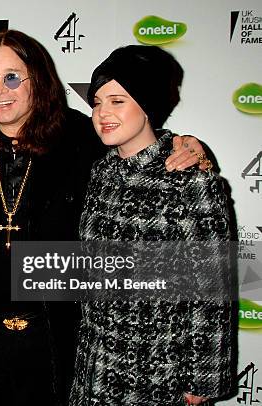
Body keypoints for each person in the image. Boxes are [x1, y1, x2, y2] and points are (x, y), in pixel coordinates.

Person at [0, 30, 211, 406]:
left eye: (12, 77)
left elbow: (139, 135)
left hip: (50, 338)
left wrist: (184, 144)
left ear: (39, 79)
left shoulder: (81, 137)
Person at [70, 45, 235, 405]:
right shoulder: (101, 172)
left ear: (147, 105)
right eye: (97, 102)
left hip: (159, 372)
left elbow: (212, 289)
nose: (102, 113)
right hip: (93, 364)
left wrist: (201, 382)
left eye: (117, 101)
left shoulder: (190, 179)